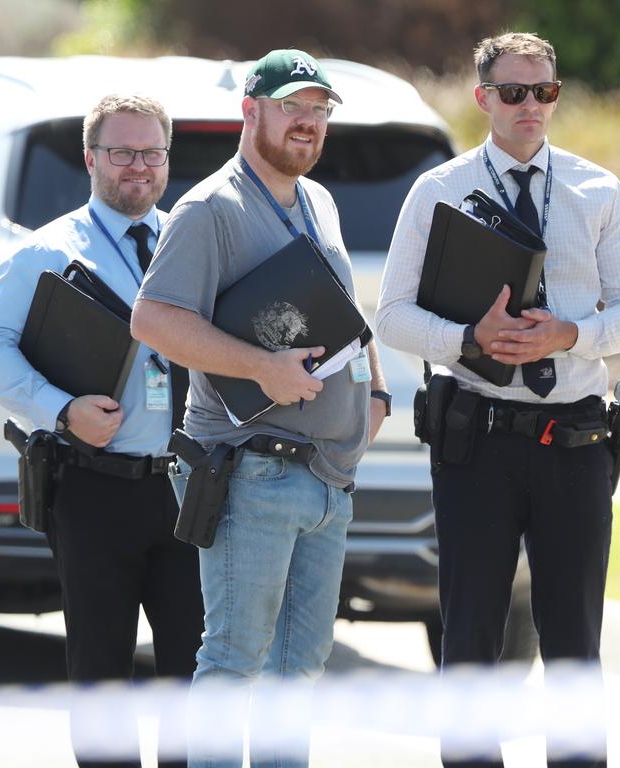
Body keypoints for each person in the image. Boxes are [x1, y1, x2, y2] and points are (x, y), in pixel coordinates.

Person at [376, 31, 620, 768]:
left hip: (577, 441)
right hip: (479, 441)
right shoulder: (438, 190)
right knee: (469, 639)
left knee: (574, 645)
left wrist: (570, 333)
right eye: (513, 92)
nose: (530, 105)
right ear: (483, 99)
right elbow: (392, 315)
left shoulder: (599, 190)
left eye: (544, 91)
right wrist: (470, 337)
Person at [130, 48, 388, 768]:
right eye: (292, 106)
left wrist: (376, 392)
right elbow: (153, 320)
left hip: (329, 477)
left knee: (298, 673)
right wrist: (259, 368)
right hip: (253, 474)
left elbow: (341, 312)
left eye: (319, 110)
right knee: (236, 662)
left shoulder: (321, 200)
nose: (308, 122)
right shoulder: (210, 208)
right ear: (251, 111)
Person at [0, 94, 202, 768]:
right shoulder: (46, 251)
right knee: (101, 671)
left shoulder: (190, 243)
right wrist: (58, 408)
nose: (137, 166)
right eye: (121, 152)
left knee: (194, 675)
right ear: (91, 158)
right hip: (93, 489)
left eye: (151, 152)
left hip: (189, 491)